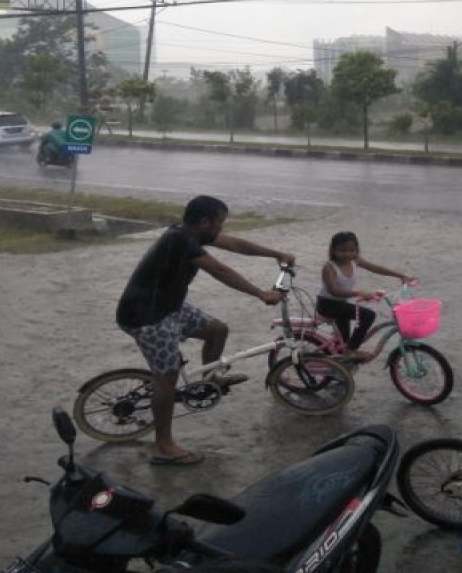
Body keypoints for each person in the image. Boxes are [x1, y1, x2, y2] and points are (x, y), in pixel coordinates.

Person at [116, 195, 294, 466]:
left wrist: (275, 254)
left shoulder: (191, 233)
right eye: (220, 223)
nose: (221, 229)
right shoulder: (180, 240)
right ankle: (163, 446)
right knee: (168, 377)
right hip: (146, 316)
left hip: (170, 306)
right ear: (204, 222)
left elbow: (234, 244)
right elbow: (219, 270)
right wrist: (260, 293)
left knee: (217, 330)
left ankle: (210, 379)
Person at [316, 231, 413, 362]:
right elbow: (334, 291)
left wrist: (401, 275)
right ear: (333, 250)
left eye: (351, 250)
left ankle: (341, 364)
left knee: (344, 342)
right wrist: (359, 293)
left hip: (341, 304)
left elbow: (377, 268)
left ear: (356, 250)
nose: (347, 254)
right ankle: (351, 351)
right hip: (328, 305)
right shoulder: (329, 267)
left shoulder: (355, 261)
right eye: (342, 250)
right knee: (368, 315)